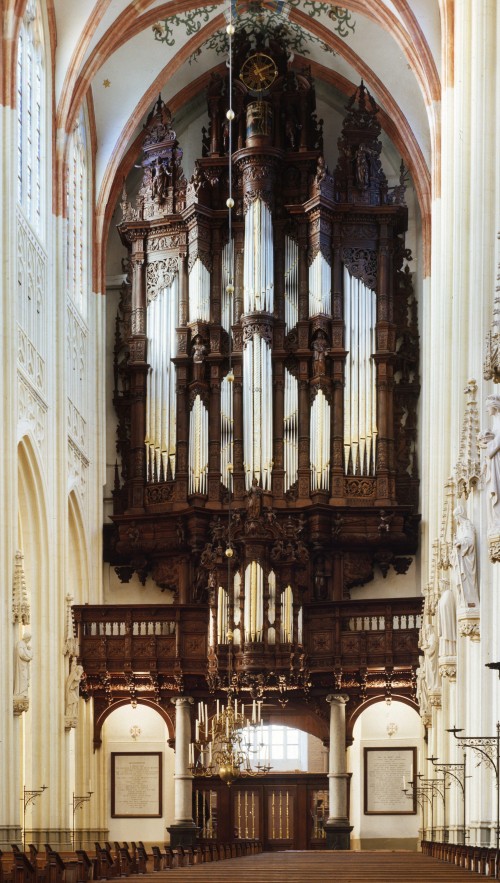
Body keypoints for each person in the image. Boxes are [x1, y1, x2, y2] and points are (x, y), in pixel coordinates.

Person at [479, 395, 500, 533]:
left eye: (488, 406)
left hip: (497, 461)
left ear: (494, 406)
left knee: (496, 491)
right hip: (493, 461)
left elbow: (497, 443)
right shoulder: (495, 422)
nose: (487, 410)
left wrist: (485, 445)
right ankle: (495, 524)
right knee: (491, 495)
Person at [453, 505, 479, 607]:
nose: (456, 519)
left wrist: (460, 542)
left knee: (468, 582)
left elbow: (471, 541)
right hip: (461, 560)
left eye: (456, 517)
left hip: (467, 560)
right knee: (461, 583)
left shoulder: (467, 525)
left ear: (460, 516)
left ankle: (471, 600)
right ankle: (464, 602)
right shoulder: (460, 528)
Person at [437, 584, 456, 657]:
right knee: (444, 636)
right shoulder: (443, 595)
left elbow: (447, 607)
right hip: (444, 622)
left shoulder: (448, 593)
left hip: (448, 621)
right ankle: (446, 652)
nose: (440, 587)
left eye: (441, 585)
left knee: (447, 635)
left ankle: (451, 652)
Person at [14, 631, 32, 698]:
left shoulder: (25, 645)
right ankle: (21, 692)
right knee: (23, 678)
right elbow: (21, 654)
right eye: (29, 639)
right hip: (21, 666)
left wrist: (28, 650)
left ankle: (24, 692)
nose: (29, 640)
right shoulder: (20, 644)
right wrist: (28, 657)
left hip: (24, 665)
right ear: (26, 638)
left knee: (25, 678)